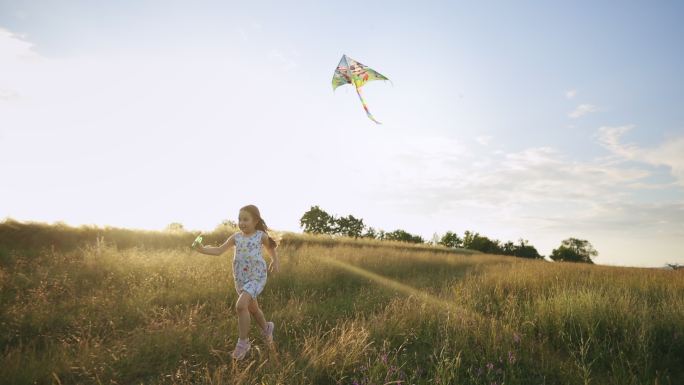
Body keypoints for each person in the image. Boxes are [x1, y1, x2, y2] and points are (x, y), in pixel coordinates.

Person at [193, 204, 280, 360]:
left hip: (256, 277)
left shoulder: (260, 236)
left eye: (246, 219)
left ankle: (243, 344)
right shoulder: (236, 237)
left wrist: (275, 261)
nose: (242, 222)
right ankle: (267, 328)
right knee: (253, 309)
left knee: (240, 306)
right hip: (241, 279)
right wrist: (203, 249)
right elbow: (219, 250)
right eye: (240, 219)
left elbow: (271, 247)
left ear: (255, 220)